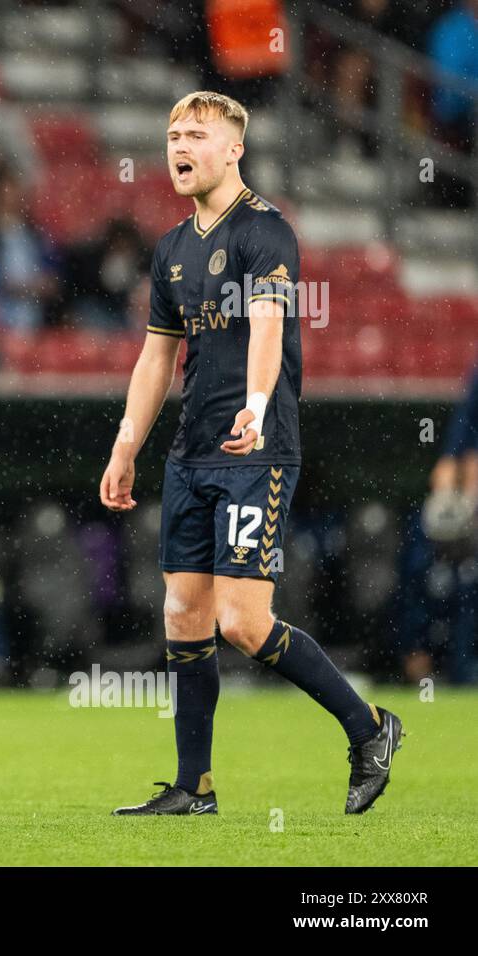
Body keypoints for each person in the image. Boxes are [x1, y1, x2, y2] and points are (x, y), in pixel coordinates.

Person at [99, 92, 404, 816]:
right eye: (173, 132)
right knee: (182, 612)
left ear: (234, 148)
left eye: (197, 134)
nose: (181, 144)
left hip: (256, 452)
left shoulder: (266, 232)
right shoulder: (172, 248)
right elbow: (154, 359)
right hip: (192, 450)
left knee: (241, 621)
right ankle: (193, 787)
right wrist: (125, 445)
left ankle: (370, 728)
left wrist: (257, 407)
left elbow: (267, 327)